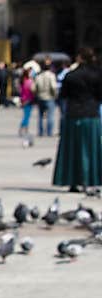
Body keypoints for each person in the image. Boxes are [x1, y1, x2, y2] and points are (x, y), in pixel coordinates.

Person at [53, 47, 102, 193]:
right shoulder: (97, 75)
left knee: (73, 150)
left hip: (73, 115)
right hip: (91, 115)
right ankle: (92, 179)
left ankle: (73, 181)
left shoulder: (71, 75)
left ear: (79, 58)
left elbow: (63, 95)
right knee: (91, 149)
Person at [34, 58, 58, 137]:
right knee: (50, 115)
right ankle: (49, 132)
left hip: (40, 97)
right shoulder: (51, 75)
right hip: (49, 97)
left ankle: (40, 132)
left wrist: (37, 93)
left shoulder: (38, 76)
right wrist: (55, 95)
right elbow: (53, 87)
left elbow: (33, 88)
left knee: (40, 116)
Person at [17, 68, 35, 137]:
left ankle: (24, 128)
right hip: (29, 99)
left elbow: (20, 91)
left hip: (23, 99)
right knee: (27, 115)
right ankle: (23, 128)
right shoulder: (29, 81)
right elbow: (32, 90)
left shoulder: (22, 81)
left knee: (25, 114)